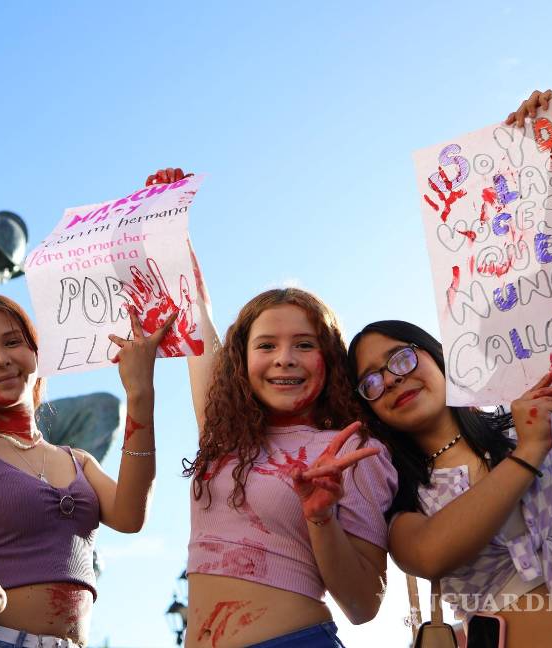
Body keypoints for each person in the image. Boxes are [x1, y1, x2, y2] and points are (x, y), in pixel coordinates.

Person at [169, 175, 396, 645]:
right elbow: (192, 308)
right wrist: (169, 224)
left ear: (328, 360)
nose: (284, 358)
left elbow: (363, 605)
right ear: (241, 360)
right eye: (266, 345)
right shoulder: (224, 434)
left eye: (304, 345)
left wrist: (320, 516)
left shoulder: (351, 449)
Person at [347, 319, 552, 648]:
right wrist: (529, 452)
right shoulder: (409, 502)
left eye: (401, 357)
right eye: (370, 381)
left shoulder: (532, 409)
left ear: (438, 355)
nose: (390, 379)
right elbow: (430, 554)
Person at [0, 292, 176, 648]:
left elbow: (131, 517)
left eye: (12, 342)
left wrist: (140, 395)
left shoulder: (78, 460)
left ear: (38, 353)